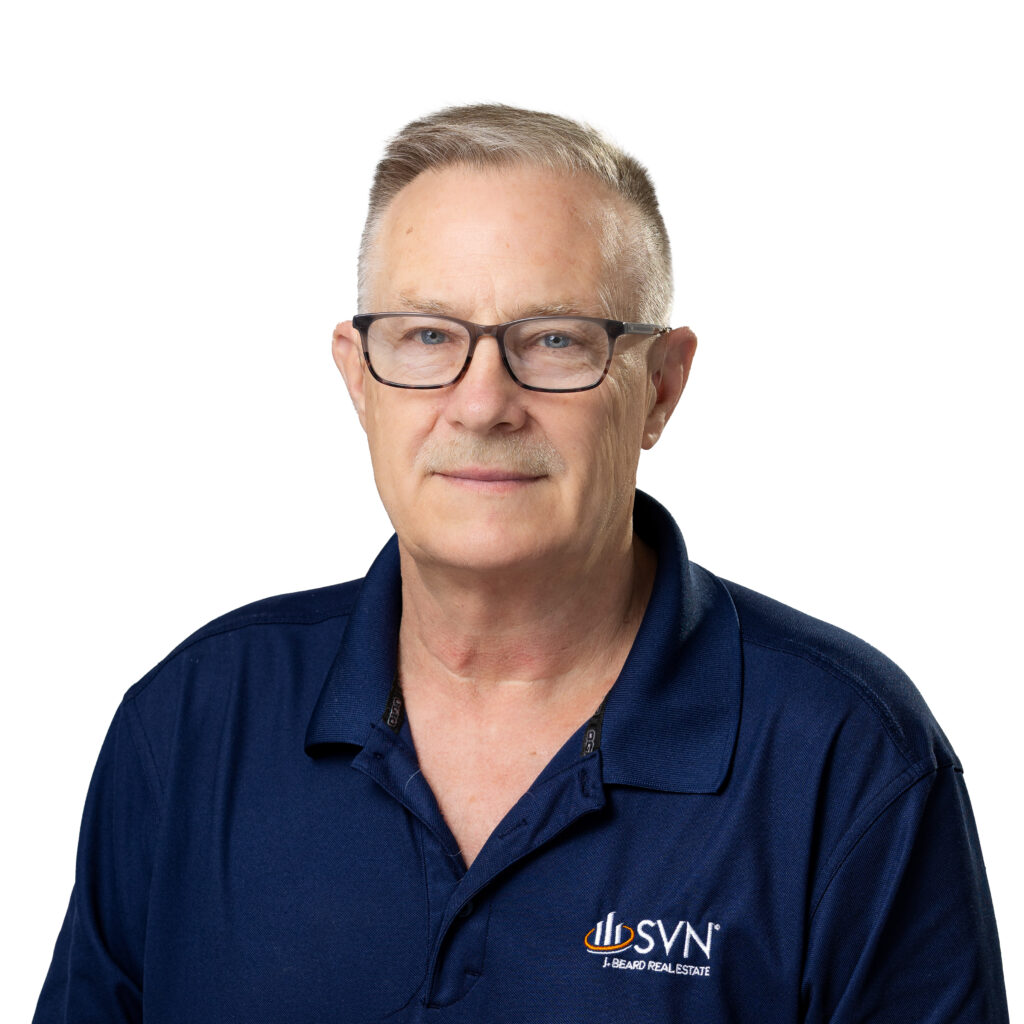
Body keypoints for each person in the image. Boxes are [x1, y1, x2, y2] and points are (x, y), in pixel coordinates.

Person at [34, 104, 1008, 1023]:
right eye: (427, 336)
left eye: (553, 340)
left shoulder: (849, 758)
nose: (483, 403)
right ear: (358, 378)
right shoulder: (194, 721)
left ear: (661, 387)